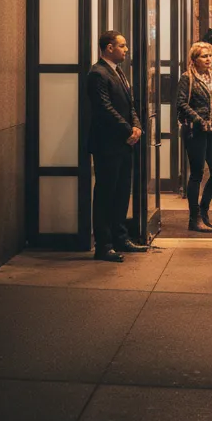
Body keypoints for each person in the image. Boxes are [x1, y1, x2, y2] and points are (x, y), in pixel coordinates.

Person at [85, 31, 146, 261]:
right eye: (123, 45)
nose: (126, 49)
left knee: (122, 193)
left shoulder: (118, 72)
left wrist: (137, 125)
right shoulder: (97, 73)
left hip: (124, 143)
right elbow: (104, 108)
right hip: (107, 145)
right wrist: (128, 130)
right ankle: (104, 245)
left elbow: (129, 105)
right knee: (105, 194)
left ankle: (121, 238)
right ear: (109, 48)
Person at [176, 41, 212, 233]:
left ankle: (204, 210)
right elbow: (180, 103)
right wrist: (197, 119)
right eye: (204, 56)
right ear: (194, 59)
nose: (208, 59)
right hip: (196, 131)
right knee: (196, 174)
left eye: (210, 55)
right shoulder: (187, 78)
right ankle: (193, 218)